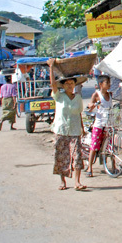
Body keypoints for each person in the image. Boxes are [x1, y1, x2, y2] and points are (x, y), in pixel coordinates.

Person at [47, 58, 87, 191]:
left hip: (75, 130)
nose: (70, 85)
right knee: (61, 156)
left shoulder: (78, 98)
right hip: (61, 130)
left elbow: (79, 113)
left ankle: (77, 182)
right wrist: (51, 67)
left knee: (77, 156)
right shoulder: (59, 96)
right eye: (67, 84)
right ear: (63, 86)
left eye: (72, 83)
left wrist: (82, 128)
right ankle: (63, 182)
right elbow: (52, 84)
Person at [86, 75, 113, 177]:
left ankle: (113, 166)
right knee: (94, 146)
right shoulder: (96, 95)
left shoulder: (110, 94)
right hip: (99, 123)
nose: (109, 85)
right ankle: (90, 167)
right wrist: (91, 105)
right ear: (101, 84)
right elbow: (90, 106)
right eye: (107, 83)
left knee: (110, 145)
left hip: (108, 123)